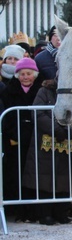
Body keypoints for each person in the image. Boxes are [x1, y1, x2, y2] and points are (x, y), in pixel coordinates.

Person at [22, 78, 72, 225]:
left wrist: (69, 131)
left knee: (64, 178)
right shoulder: (44, 91)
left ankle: (61, 213)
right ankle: (44, 214)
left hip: (66, 143)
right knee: (44, 179)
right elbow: (37, 113)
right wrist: (56, 130)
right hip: (45, 143)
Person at [0, 57, 44, 222]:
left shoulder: (40, 90)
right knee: (16, 175)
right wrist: (13, 133)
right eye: (22, 74)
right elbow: (7, 116)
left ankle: (35, 210)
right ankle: (20, 210)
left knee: (34, 176)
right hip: (16, 139)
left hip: (36, 139)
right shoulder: (8, 91)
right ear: (17, 75)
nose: (25, 77)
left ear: (34, 74)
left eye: (28, 74)